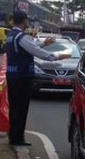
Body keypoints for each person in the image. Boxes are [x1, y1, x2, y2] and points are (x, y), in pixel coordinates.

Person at [6, 10, 70, 146]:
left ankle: (13, 135)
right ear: (24, 21)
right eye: (27, 20)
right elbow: (39, 53)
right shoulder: (21, 37)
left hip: (13, 75)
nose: (27, 22)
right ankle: (17, 138)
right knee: (21, 109)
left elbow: (30, 48)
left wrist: (44, 44)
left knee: (15, 107)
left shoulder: (12, 35)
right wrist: (58, 56)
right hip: (22, 77)